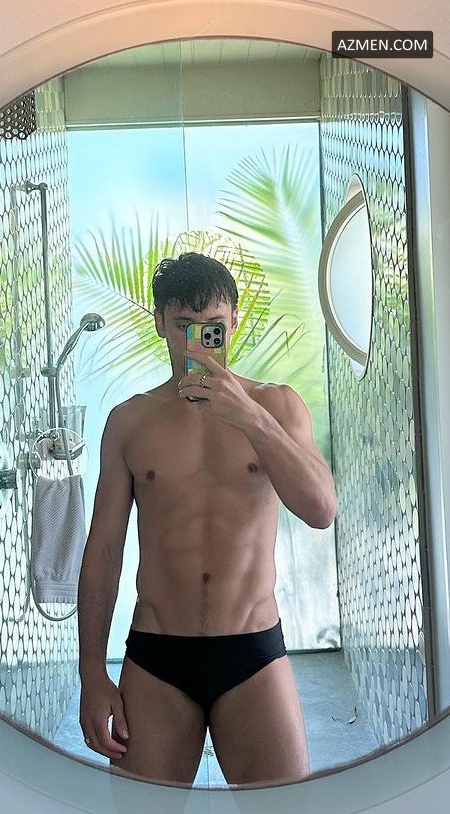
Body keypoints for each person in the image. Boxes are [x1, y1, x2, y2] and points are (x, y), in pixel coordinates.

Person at [77, 252, 337, 786]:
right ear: (159, 323)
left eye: (211, 327)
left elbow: (321, 510)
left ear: (234, 321)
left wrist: (250, 418)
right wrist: (91, 673)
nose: (197, 343)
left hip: (253, 651)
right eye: (183, 326)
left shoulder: (277, 406)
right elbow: (103, 551)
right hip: (157, 656)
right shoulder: (130, 422)